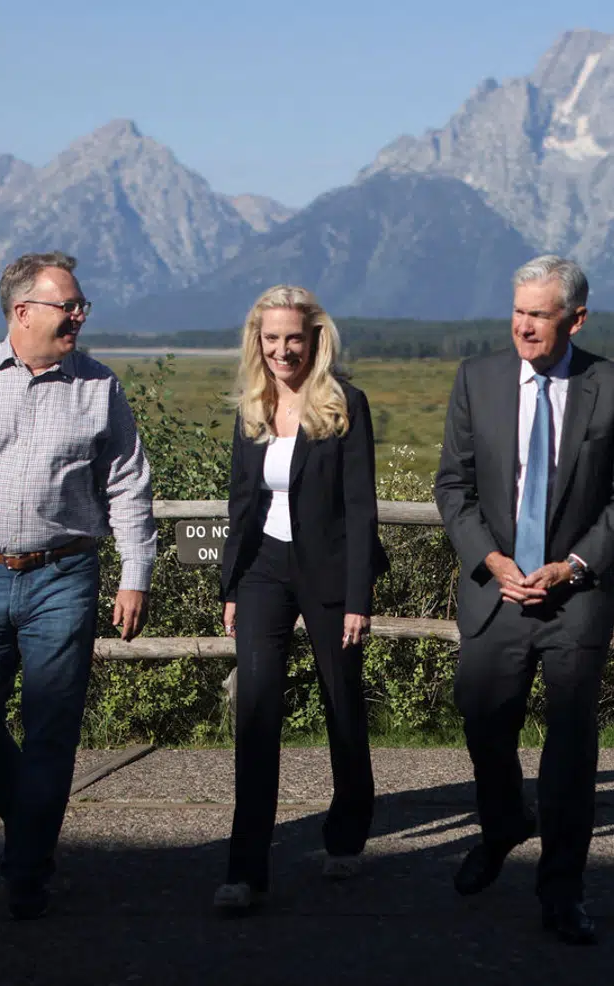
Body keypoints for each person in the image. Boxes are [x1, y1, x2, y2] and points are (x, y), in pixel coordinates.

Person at [0, 251, 156, 920]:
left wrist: (135, 574)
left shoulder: (99, 386)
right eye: (67, 306)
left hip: (64, 576)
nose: (79, 316)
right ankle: (24, 811)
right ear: (22, 312)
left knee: (51, 729)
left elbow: (129, 484)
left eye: (80, 306)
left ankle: (27, 869)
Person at [433, 255, 614, 945]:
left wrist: (572, 567)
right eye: (518, 311)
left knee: (571, 747)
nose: (523, 326)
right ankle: (503, 825)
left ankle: (562, 891)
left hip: (573, 596)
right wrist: (491, 560)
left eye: (539, 315)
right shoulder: (477, 379)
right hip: (496, 592)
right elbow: (453, 487)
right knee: (482, 718)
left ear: (576, 319)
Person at [216, 285, 388, 913]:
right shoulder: (252, 406)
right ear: (256, 341)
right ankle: (245, 871)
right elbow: (241, 500)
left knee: (341, 703)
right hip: (263, 568)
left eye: (293, 338)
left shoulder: (345, 404)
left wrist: (357, 597)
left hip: (330, 573)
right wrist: (232, 584)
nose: (282, 350)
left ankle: (346, 836)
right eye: (271, 339)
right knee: (256, 712)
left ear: (316, 339)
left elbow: (360, 505)